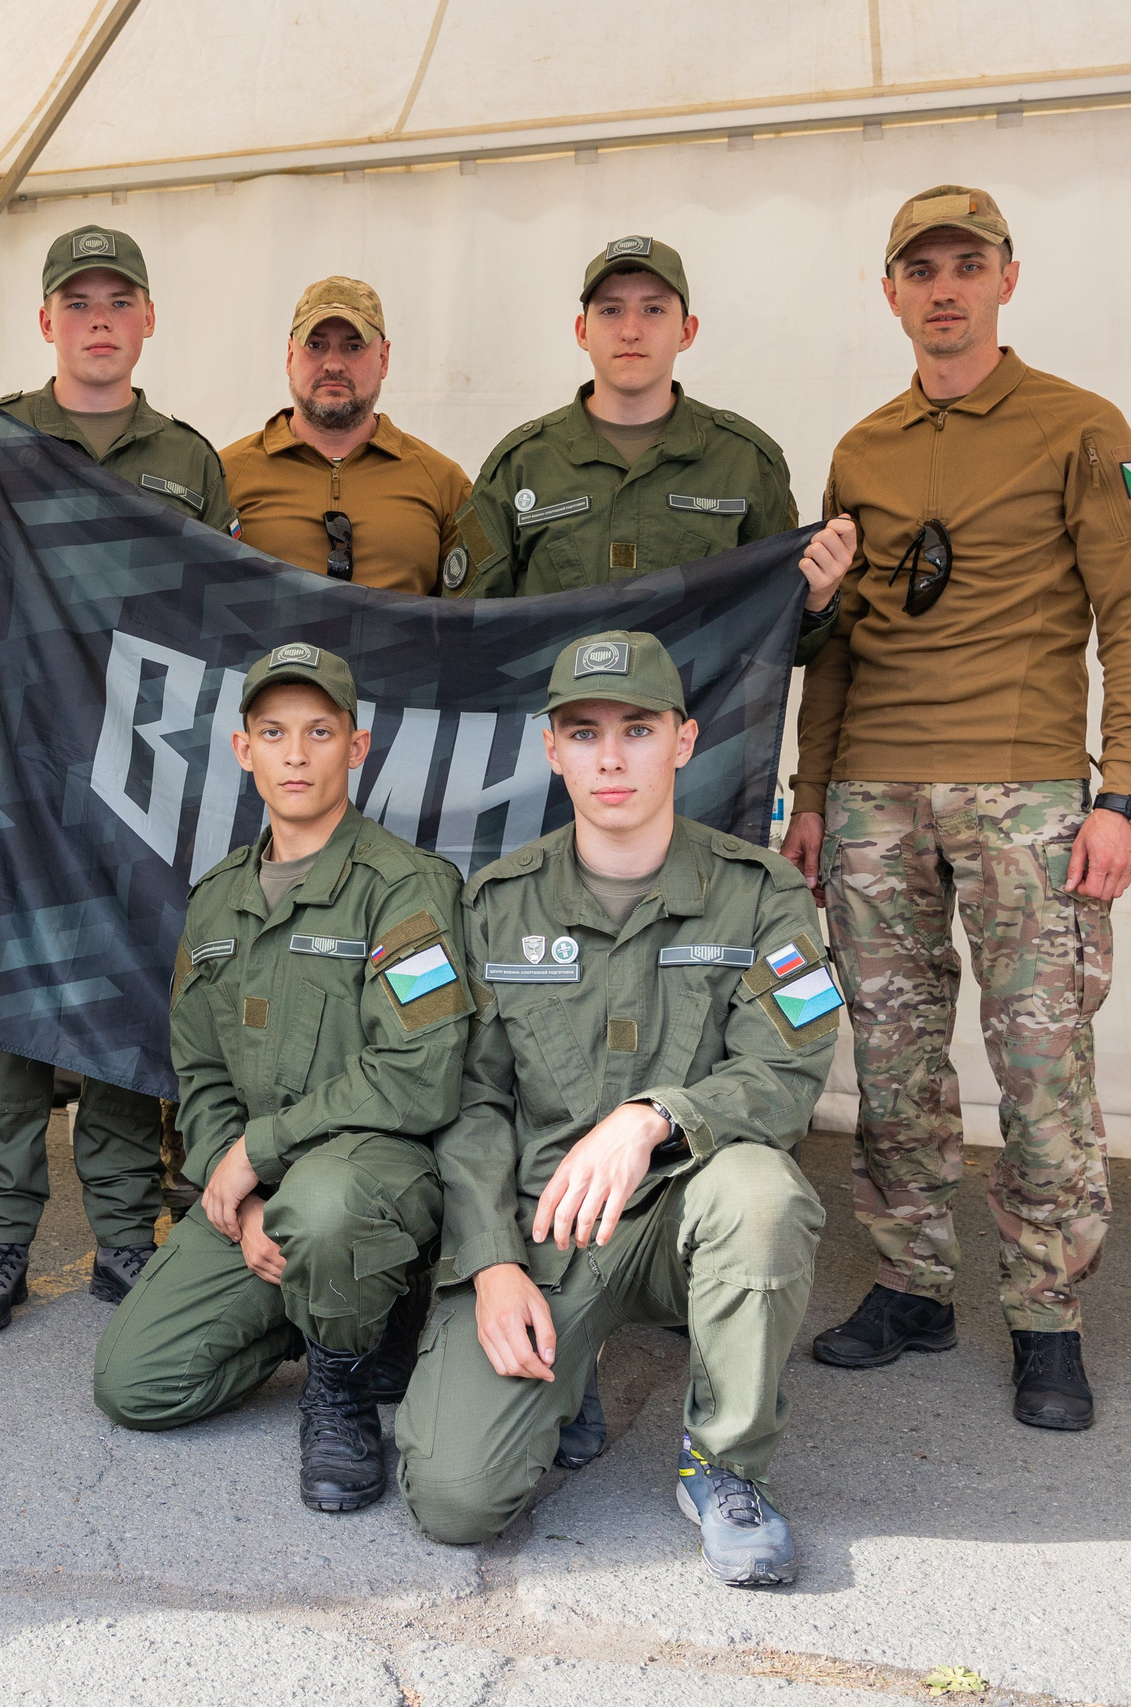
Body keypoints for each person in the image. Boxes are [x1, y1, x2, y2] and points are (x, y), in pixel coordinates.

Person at [780, 186, 1131, 1432]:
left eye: (966, 265)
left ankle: (1047, 1315)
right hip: (872, 797)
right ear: (887, 290)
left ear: (1008, 277)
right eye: (919, 269)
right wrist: (811, 792)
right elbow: (833, 644)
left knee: (1041, 1060)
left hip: (1027, 793)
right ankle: (911, 1283)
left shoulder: (1080, 425)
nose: (943, 289)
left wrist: (1125, 794)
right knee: (891, 1058)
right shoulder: (864, 446)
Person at [398, 630, 832, 1586]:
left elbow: (789, 1069)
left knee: (764, 1196)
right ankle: (572, 1367)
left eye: (637, 729)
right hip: (550, 1222)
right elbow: (468, 1103)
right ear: (551, 749)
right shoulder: (497, 903)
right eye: (584, 732)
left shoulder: (763, 894)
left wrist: (651, 1117)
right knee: (456, 1499)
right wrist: (492, 1262)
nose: (611, 757)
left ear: (683, 740)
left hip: (690, 1206)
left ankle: (723, 1466)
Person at [0, 225, 235, 1334]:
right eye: (75, 301)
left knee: (130, 989)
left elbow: (218, 619)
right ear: (45, 320)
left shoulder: (188, 460)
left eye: (116, 301)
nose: (96, 319)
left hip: (139, 766)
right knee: (10, 1004)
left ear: (143, 320)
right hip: (12, 760)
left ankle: (124, 1237)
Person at [94, 645, 472, 1513]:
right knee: (134, 1384)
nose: (296, 753)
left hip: (370, 1184)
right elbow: (200, 1067)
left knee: (328, 1204)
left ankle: (339, 1384)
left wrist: (257, 1152)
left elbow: (421, 1074)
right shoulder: (218, 897)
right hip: (266, 1191)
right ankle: (332, 1309)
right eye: (274, 732)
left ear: (357, 746)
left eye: (319, 731)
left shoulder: (404, 887)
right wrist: (247, 1195)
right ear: (243, 750)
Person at [448, 239, 853, 658]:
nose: (630, 330)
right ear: (582, 332)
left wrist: (818, 601)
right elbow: (466, 630)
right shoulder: (519, 466)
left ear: (687, 331)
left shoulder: (747, 463)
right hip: (553, 723)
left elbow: (789, 645)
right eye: (610, 310)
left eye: (654, 309)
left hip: (696, 722)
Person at [219, 276, 471, 593]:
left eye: (353, 347)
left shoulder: (444, 483)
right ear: (289, 355)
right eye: (315, 345)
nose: (333, 364)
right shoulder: (225, 476)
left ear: (383, 358)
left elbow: (473, 620)